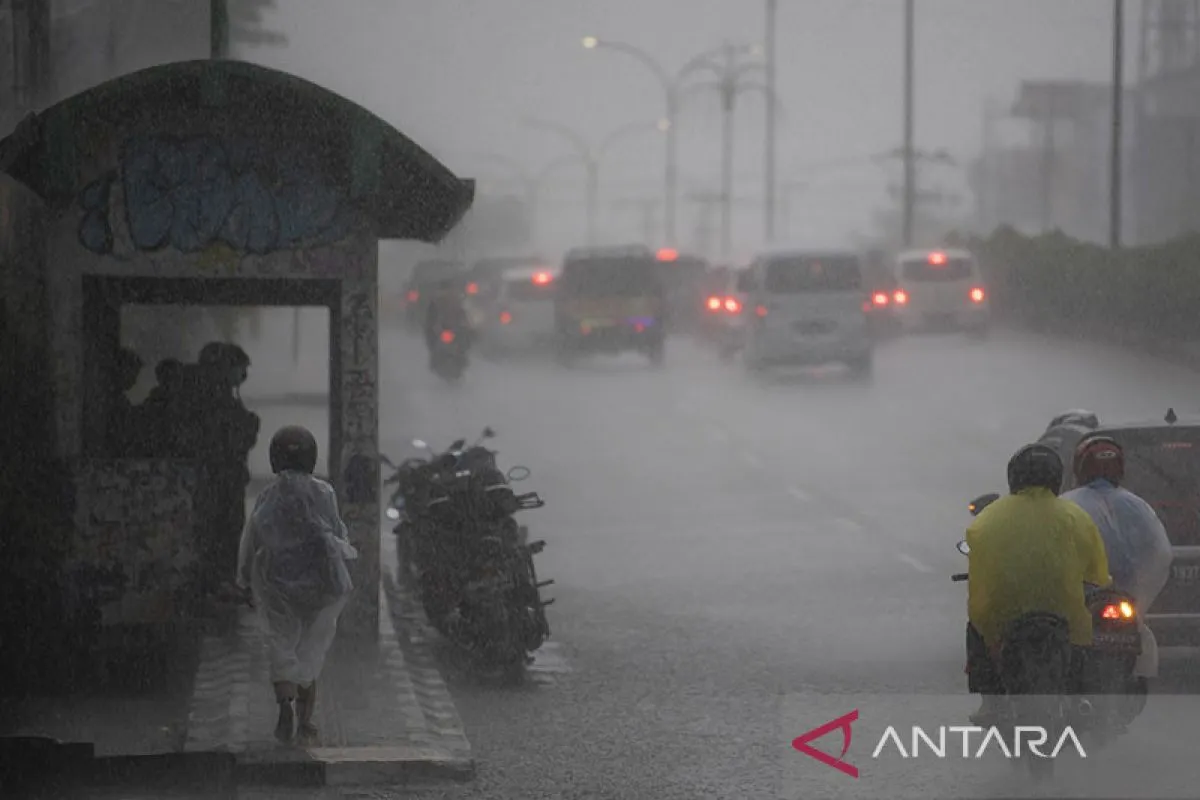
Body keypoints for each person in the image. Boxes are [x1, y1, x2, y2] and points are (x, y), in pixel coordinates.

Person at [964, 443, 1112, 724]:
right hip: (1065, 613)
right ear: (1056, 478)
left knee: (975, 630)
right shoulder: (1076, 516)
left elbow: (979, 574)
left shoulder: (987, 519)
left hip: (1005, 614)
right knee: (1086, 647)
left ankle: (990, 702)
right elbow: (1097, 573)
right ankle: (1082, 698)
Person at [236, 426, 357, 744]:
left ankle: (284, 705)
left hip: (275, 584)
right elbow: (337, 533)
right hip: (319, 586)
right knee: (310, 652)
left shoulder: (269, 495)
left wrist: (245, 580)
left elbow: (252, 540)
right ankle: (306, 722)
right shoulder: (324, 492)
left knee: (281, 645)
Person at [1061, 437, 1172, 681]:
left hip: (1081, 600)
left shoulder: (1066, 505)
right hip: (1124, 599)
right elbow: (1160, 554)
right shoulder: (1139, 507)